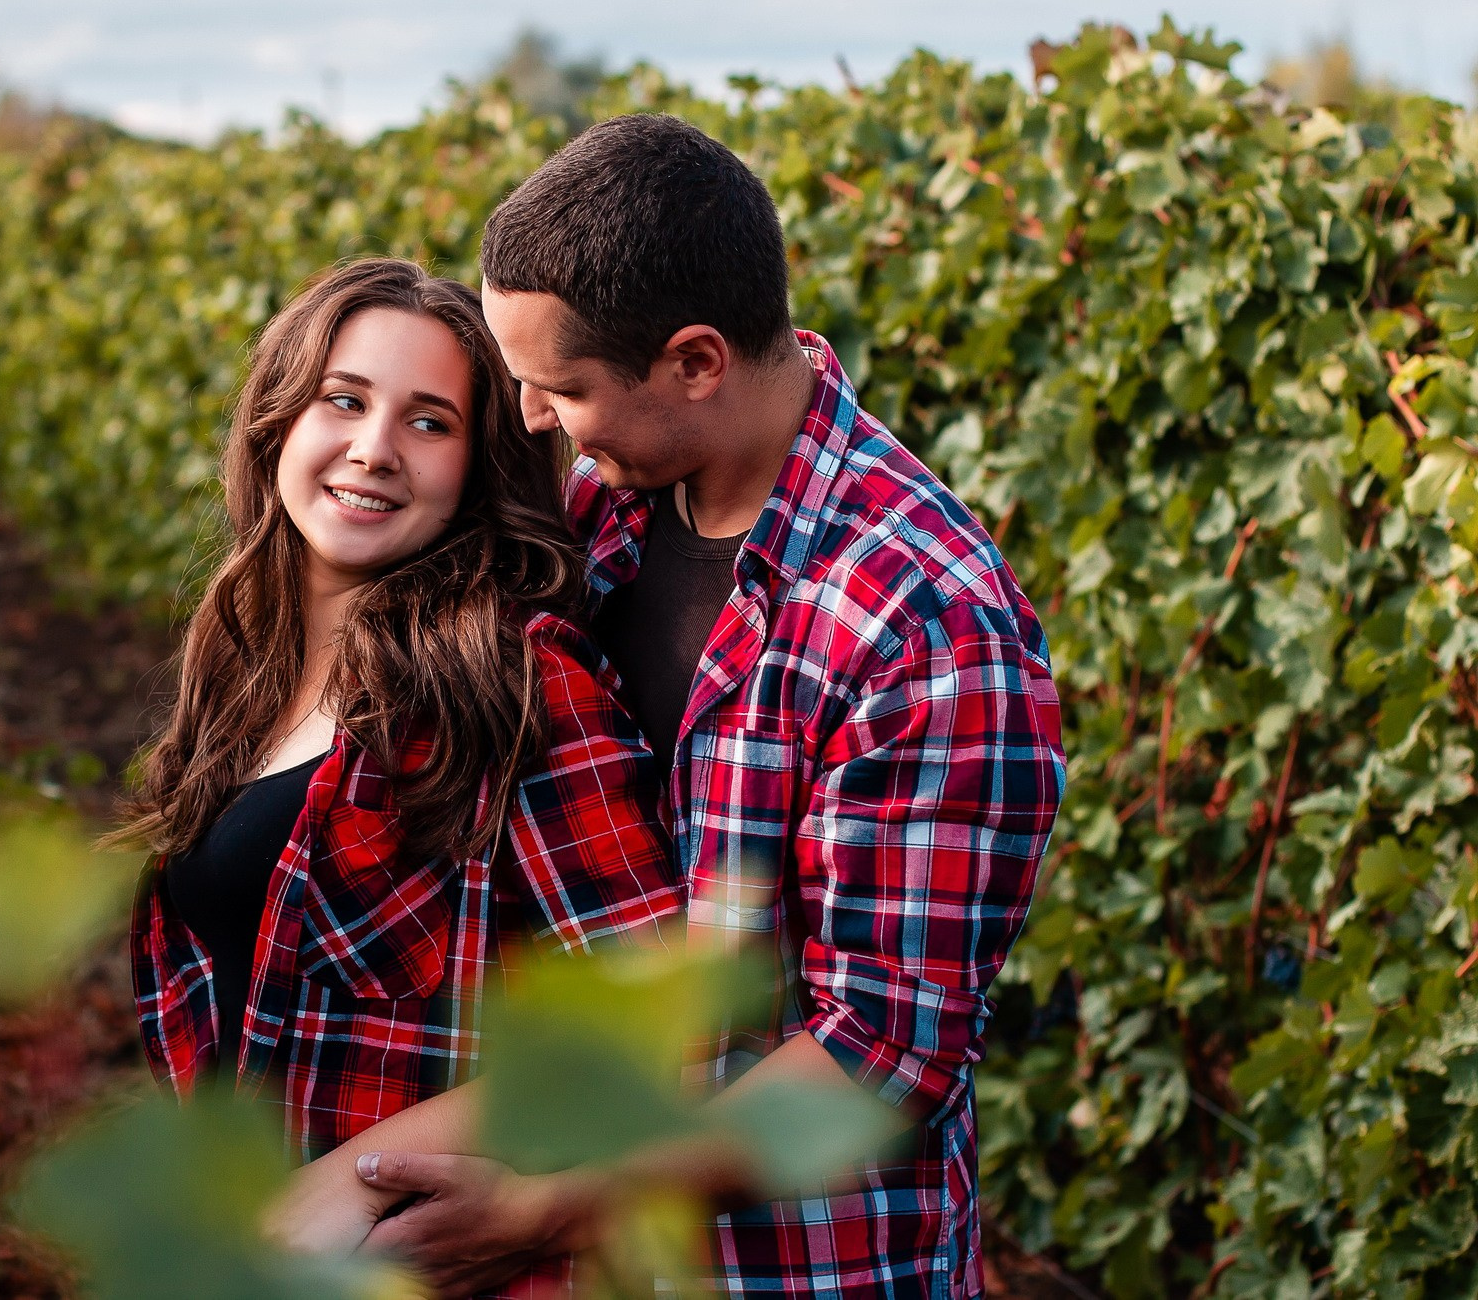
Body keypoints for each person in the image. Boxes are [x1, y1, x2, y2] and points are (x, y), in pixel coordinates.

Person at [351, 115, 1068, 1298]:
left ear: (692, 362)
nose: (532, 419)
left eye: (560, 387)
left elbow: (878, 1055)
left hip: (790, 1269)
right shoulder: (608, 512)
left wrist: (547, 1208)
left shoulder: (925, 626)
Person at [112, 256, 685, 1282]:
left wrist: (356, 1177)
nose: (372, 449)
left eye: (429, 422)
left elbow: (648, 1015)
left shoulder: (515, 683)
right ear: (278, 417)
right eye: (344, 400)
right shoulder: (245, 670)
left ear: (476, 468)